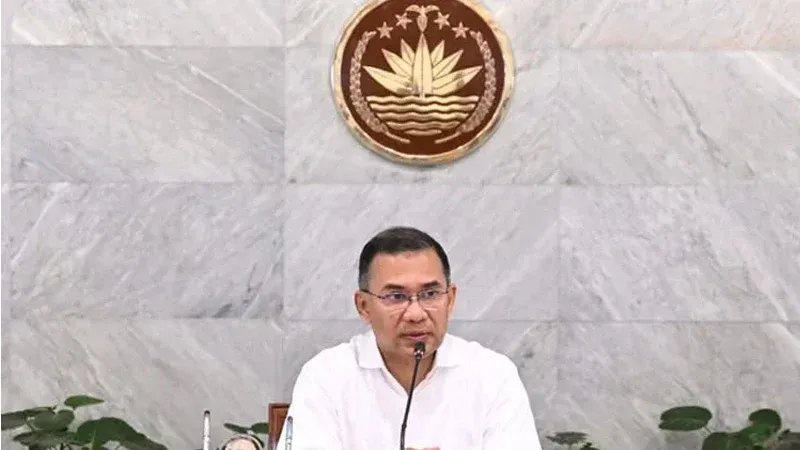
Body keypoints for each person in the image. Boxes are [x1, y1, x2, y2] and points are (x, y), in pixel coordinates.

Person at [277, 226, 543, 450]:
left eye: (430, 294)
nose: (416, 314)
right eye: (396, 297)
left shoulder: (493, 375)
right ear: (363, 306)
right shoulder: (326, 376)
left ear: (450, 299)